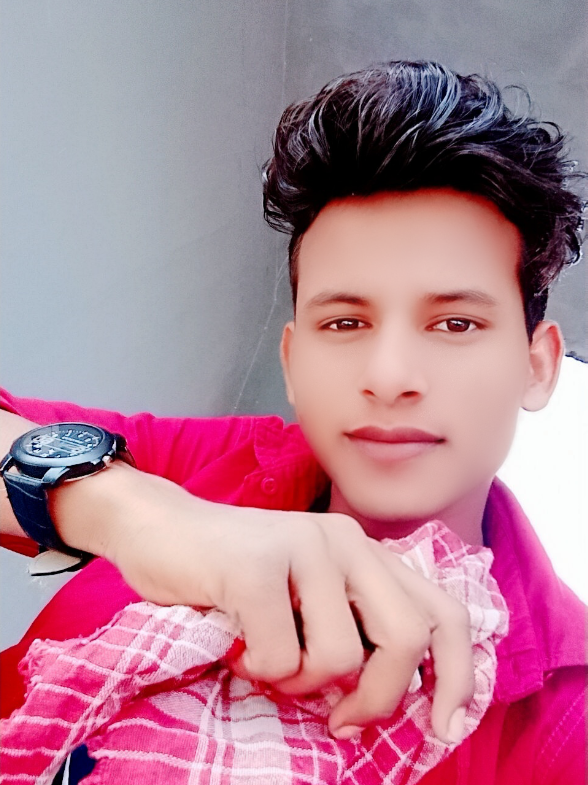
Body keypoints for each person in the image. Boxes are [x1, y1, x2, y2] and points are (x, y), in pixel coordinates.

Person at [0, 60, 585, 783]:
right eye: (344, 322)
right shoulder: (217, 466)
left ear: (537, 365)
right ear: (292, 361)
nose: (389, 376)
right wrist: (144, 517)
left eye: (455, 322)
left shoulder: (567, 715)